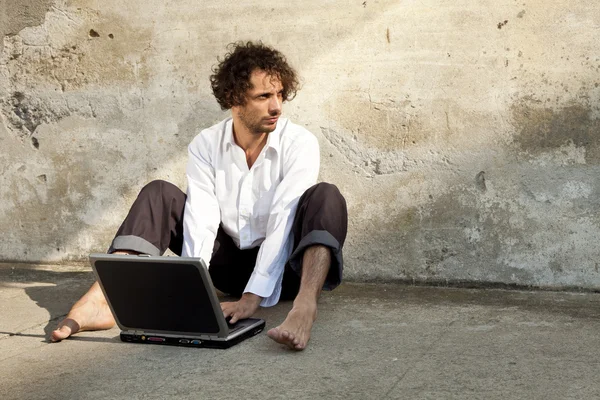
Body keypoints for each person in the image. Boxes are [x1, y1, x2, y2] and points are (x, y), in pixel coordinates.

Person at [51, 41, 348, 350]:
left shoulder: (299, 142)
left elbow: (283, 221)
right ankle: (100, 301)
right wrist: (197, 296)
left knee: (326, 197)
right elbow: (201, 218)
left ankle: (304, 308)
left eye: (280, 95)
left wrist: (251, 299)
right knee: (158, 193)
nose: (277, 107)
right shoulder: (206, 144)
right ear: (235, 99)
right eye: (264, 96)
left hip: (287, 270)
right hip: (228, 267)